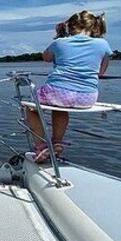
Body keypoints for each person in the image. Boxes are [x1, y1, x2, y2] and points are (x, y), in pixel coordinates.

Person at [25, 10, 112, 162]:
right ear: (94, 27)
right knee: (61, 108)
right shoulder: (103, 44)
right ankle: (57, 141)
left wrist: (60, 36)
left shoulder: (60, 42)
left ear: (69, 27)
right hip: (87, 97)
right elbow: (101, 72)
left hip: (57, 93)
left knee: (31, 108)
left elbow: (46, 58)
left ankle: (41, 146)